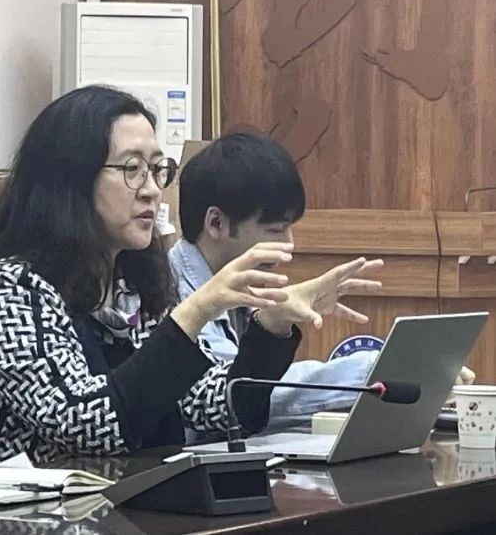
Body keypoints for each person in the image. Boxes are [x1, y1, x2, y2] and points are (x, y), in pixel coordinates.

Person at [0, 86, 381, 463]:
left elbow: (217, 409)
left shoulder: (130, 285)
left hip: (107, 508)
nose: (151, 190)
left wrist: (273, 326)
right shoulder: (8, 288)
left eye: (157, 169)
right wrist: (196, 311)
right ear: (71, 180)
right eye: (131, 169)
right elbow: (85, 425)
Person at [168, 132, 448, 431]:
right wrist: (373, 373)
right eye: (275, 229)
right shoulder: (165, 294)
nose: (289, 244)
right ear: (216, 223)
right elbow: (235, 397)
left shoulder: (245, 284)